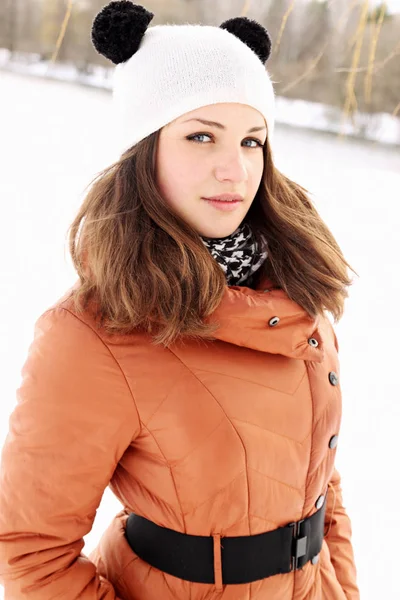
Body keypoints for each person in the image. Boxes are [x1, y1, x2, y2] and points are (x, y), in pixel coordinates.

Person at [0, 1, 360, 599]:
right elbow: (29, 552)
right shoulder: (93, 334)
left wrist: (342, 585)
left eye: (251, 141)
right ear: (145, 153)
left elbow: (319, 475)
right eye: (200, 136)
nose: (235, 170)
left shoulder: (295, 284)